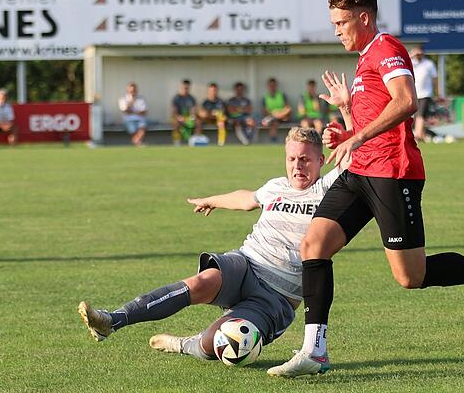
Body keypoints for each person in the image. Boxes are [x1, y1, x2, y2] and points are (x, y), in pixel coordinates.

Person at [268, 0, 464, 378]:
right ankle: (314, 351)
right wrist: (347, 125)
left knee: (411, 276)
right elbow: (372, 119)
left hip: (394, 174)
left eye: (341, 22)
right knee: (314, 244)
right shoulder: (362, 59)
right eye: (334, 22)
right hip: (359, 170)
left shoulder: (387, 48)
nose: (336, 30)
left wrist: (356, 135)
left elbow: (406, 102)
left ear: (364, 17)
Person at [78, 128, 348, 364]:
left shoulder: (328, 189)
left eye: (305, 159)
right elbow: (246, 199)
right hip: (246, 265)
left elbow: (356, 156)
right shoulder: (275, 186)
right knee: (201, 282)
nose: (297, 166)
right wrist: (213, 200)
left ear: (321, 160)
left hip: (275, 299)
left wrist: (347, 110)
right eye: (291, 159)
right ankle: (112, 320)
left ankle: (185, 344)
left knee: (217, 342)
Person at [409, 46, 439, 142]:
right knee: (415, 116)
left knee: (420, 115)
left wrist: (437, 92)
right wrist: (411, 55)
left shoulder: (429, 64)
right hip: (413, 93)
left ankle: (417, 135)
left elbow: (435, 79)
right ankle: (421, 134)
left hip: (425, 94)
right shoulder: (412, 63)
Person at [261, 77, 292, 143]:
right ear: (268, 86)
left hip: (283, 117)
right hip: (272, 118)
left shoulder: (282, 95)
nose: (272, 87)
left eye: (273, 85)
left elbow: (288, 109)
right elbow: (264, 111)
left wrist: (279, 114)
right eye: (271, 85)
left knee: (276, 120)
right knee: (273, 123)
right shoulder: (265, 97)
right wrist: (273, 114)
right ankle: (274, 142)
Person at [118, 82, 148, 147]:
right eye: (131, 91)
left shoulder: (141, 99)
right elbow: (125, 111)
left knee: (142, 126)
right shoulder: (123, 99)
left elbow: (144, 111)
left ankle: (136, 142)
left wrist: (133, 112)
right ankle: (138, 143)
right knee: (132, 129)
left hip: (140, 118)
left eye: (134, 90)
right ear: (128, 90)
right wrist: (132, 101)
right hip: (128, 119)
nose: (133, 92)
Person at [171, 79, 197, 146]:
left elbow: (193, 111)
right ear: (181, 87)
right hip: (178, 118)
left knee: (198, 122)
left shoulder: (192, 98)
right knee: (175, 122)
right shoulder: (176, 98)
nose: (185, 89)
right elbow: (174, 111)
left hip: (188, 118)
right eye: (184, 88)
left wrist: (192, 117)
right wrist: (179, 117)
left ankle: (194, 141)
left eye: (187, 88)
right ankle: (177, 141)